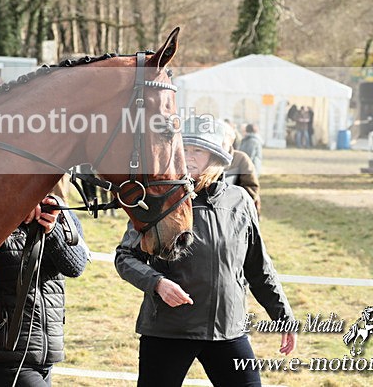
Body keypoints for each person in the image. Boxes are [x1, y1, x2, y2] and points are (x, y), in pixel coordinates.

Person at [115, 116, 296, 387]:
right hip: (169, 330)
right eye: (183, 149)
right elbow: (125, 256)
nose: (188, 156)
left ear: (215, 158)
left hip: (229, 330)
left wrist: (283, 316)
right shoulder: (158, 198)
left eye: (197, 150)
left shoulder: (240, 201)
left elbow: (258, 267)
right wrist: (158, 284)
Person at [0, 195, 88, 386]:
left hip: (45, 355)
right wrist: (14, 210)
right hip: (4, 355)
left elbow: (76, 267)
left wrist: (52, 231)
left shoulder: (61, 213)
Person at [222, 122, 261, 217]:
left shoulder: (241, 158)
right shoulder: (206, 159)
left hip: (235, 213)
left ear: (231, 141)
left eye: (222, 143)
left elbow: (251, 188)